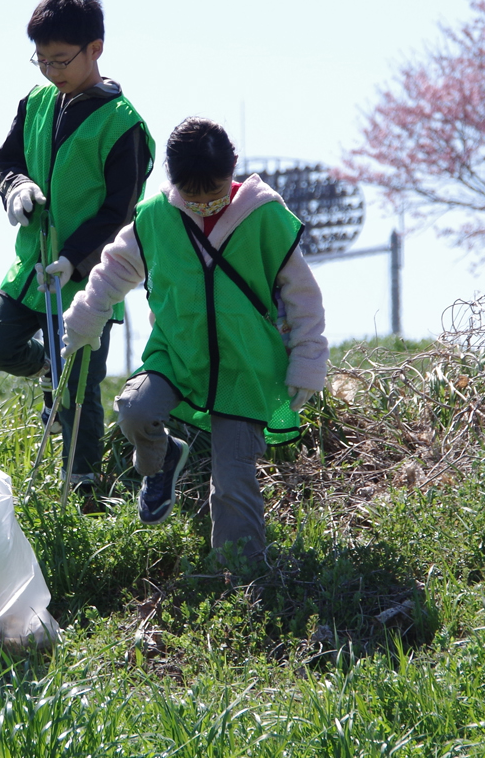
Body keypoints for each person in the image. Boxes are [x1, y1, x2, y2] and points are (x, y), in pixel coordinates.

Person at [60, 118, 328, 566]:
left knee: (232, 477)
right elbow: (114, 269)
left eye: (216, 195)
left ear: (234, 170)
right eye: (193, 197)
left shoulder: (266, 217)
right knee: (134, 410)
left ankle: (241, 577)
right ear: (172, 182)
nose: (204, 205)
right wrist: (87, 315)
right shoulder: (154, 218)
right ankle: (163, 460)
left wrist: (306, 362)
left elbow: (304, 298)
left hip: (247, 369)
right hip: (176, 354)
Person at [0, 0, 154, 502]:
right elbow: (7, 159)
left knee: (79, 390)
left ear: (95, 49)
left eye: (61, 59)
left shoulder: (124, 126)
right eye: (41, 60)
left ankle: (83, 492)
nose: (51, 70)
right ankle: (46, 367)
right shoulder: (34, 102)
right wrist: (16, 188)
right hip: (29, 268)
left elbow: (119, 212)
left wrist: (74, 259)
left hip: (87, 280)